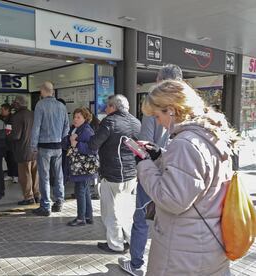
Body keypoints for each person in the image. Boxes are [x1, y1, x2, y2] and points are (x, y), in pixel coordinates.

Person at [134, 80, 238, 275]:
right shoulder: (209, 136)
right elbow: (195, 177)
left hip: (183, 251)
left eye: (157, 115)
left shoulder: (185, 143)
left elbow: (172, 200)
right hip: (207, 242)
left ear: (172, 110)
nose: (157, 122)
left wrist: (144, 164)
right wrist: (161, 156)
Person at [119, 64, 183, 275]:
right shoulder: (188, 107)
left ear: (159, 80)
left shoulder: (157, 104)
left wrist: (143, 159)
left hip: (156, 171)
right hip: (180, 176)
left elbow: (146, 144)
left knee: (141, 217)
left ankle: (136, 264)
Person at [88, 94, 141, 253]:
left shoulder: (109, 121)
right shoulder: (136, 122)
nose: (105, 109)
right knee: (125, 210)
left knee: (110, 213)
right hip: (131, 175)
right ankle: (130, 241)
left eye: (107, 106)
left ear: (113, 107)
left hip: (112, 175)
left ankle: (115, 245)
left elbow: (94, 144)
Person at [31, 81, 69, 216]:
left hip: (44, 147)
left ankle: (45, 206)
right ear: (52, 91)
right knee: (59, 175)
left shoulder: (40, 105)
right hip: (58, 146)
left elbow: (36, 128)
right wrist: (62, 140)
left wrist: (33, 147)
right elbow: (66, 126)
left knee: (44, 177)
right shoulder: (61, 106)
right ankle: (59, 202)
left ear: (43, 91)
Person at [65, 107, 97, 226]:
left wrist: (76, 144)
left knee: (80, 191)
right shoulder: (76, 129)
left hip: (83, 167)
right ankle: (88, 216)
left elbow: (92, 149)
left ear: (85, 118)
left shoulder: (87, 131)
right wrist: (70, 141)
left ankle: (80, 218)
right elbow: (67, 142)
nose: (75, 119)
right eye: (74, 117)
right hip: (80, 166)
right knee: (85, 190)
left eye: (79, 117)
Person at [7, 95, 40, 205]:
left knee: (25, 174)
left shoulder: (17, 116)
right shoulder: (33, 114)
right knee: (35, 173)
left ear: (18, 103)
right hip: (35, 149)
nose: (13, 104)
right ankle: (37, 194)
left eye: (14, 102)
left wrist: (7, 135)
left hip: (23, 150)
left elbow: (16, 135)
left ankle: (28, 197)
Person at [1, 103, 18, 183]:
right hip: (4, 142)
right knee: (7, 158)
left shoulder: (12, 118)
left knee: (13, 159)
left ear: (8, 110)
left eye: (3, 110)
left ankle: (15, 175)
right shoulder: (2, 118)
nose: (1, 111)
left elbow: (10, 130)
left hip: (11, 142)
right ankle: (10, 174)